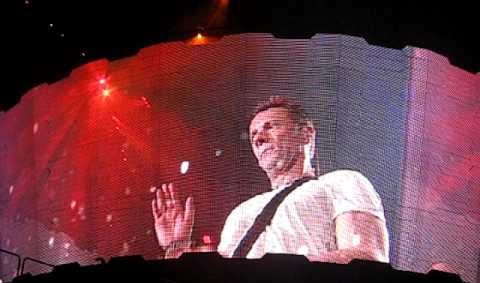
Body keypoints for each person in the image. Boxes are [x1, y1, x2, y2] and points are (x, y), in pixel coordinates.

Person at [152, 96, 389, 263]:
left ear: (305, 133)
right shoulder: (241, 213)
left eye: (270, 127)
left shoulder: (341, 182)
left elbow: (366, 258)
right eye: (254, 134)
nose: (258, 138)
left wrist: (274, 276)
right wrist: (177, 248)